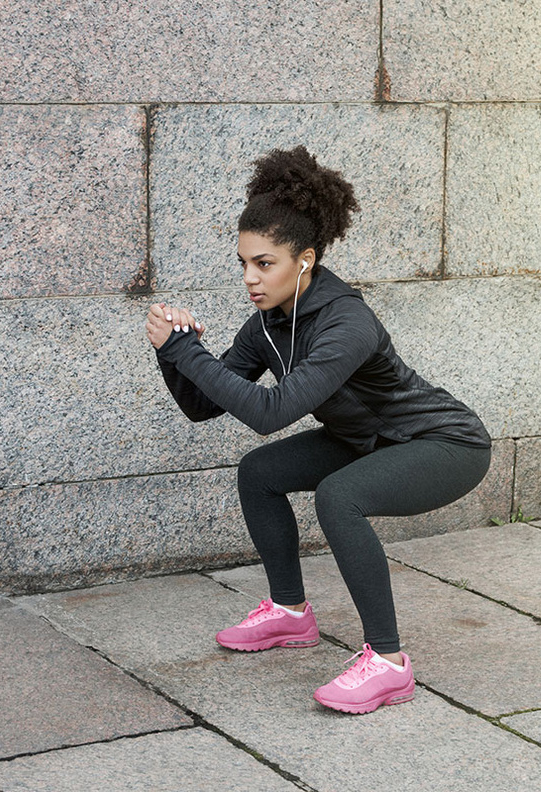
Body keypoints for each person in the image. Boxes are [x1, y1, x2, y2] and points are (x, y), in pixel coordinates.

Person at [146, 146, 491, 714]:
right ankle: (289, 613)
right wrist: (172, 351)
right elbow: (202, 407)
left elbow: (268, 412)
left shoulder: (345, 320)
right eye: (244, 263)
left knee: (340, 496)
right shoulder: (269, 323)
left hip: (444, 443)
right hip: (364, 439)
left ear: (304, 260)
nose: (251, 279)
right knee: (260, 473)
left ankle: (388, 663)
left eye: (265, 263)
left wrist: (189, 350)